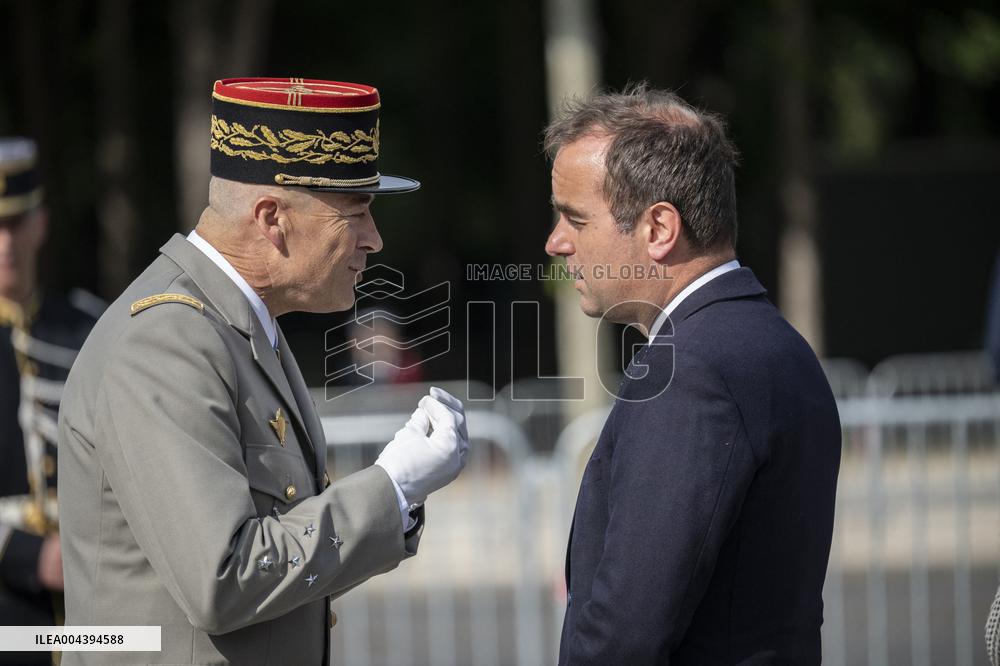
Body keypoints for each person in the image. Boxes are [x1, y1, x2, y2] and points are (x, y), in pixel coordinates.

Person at [58, 78, 469, 665]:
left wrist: (393, 496)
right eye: (355, 212)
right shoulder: (166, 341)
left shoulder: (235, 326)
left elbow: (275, 563)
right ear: (272, 217)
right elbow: (223, 577)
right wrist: (391, 489)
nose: (373, 239)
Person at [544, 84, 841, 664]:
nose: (556, 243)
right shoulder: (767, 342)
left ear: (658, 229)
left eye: (574, 219)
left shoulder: (694, 369)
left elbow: (628, 628)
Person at [0, 137, 99, 666]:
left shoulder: (89, 329)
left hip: (96, 603)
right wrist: (27, 554)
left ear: (39, 224)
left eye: (15, 223)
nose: (5, 243)